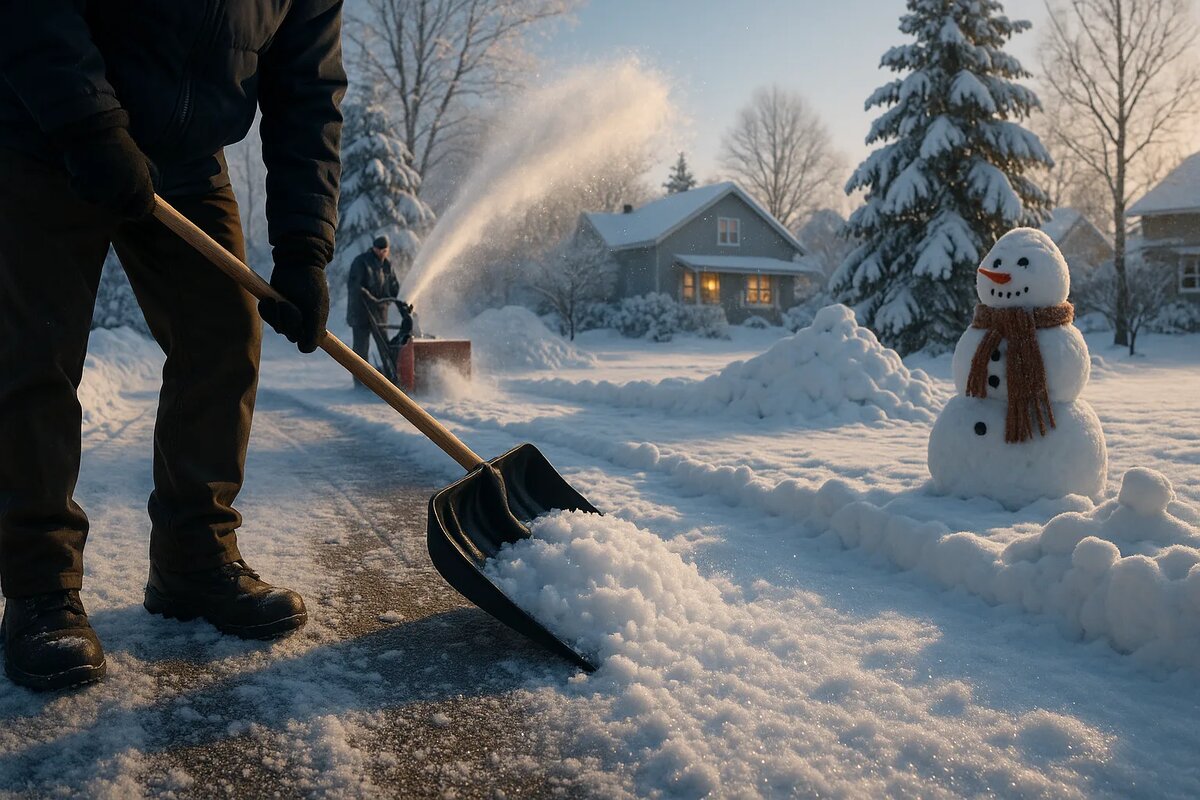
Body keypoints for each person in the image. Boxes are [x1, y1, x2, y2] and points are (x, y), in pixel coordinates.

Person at [0, 1, 346, 691]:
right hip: (46, 125)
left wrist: (305, 248)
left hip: (187, 156)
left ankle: (194, 558)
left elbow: (306, 86)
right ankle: (41, 588)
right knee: (36, 352)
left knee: (223, 336)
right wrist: (88, 122)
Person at [346, 236, 400, 387]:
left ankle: (391, 379)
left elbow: (394, 286)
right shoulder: (361, 262)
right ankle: (361, 381)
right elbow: (355, 285)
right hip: (361, 313)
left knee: (385, 346)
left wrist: (397, 299)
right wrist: (369, 297)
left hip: (380, 313)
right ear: (374, 248)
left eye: (385, 251)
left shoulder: (387, 265)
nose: (383, 253)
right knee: (361, 348)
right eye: (380, 250)